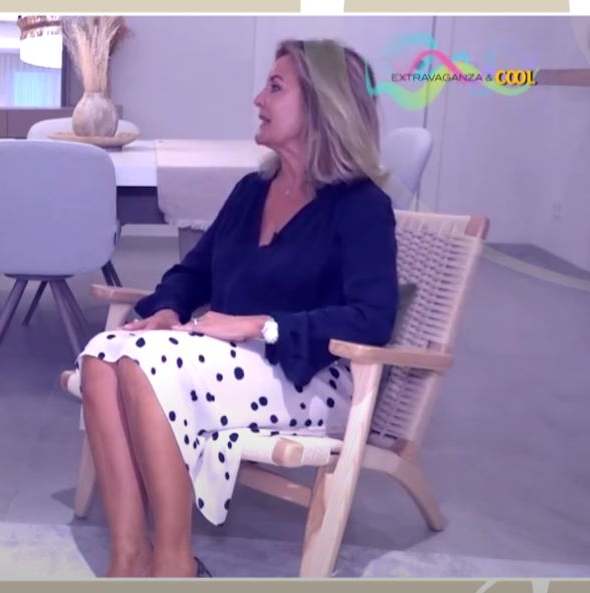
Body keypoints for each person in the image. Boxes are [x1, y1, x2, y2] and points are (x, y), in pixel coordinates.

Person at [74, 39, 400, 578]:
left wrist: (261, 326)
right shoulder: (253, 191)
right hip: (231, 363)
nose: (258, 99)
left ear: (322, 105)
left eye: (275, 87)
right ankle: (129, 557)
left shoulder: (362, 207)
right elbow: (194, 272)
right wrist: (167, 309)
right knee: (101, 354)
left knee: (143, 363)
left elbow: (372, 318)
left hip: (307, 376)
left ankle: (174, 564)